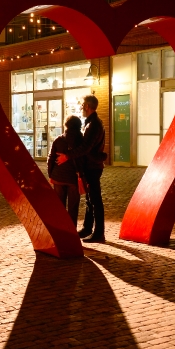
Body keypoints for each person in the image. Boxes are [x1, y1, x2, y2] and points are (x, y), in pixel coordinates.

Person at [57, 95, 106, 243]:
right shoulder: (91, 123)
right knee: (90, 199)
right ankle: (87, 228)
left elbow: (85, 148)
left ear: (87, 106)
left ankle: (99, 232)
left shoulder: (93, 125)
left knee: (95, 199)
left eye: (83, 105)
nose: (81, 107)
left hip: (93, 167)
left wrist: (68, 156)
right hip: (91, 166)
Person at [47, 115, 84, 227]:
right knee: (73, 207)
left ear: (66, 125)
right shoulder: (82, 142)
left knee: (59, 207)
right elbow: (84, 160)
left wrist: (51, 174)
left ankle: (61, 229)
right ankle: (72, 231)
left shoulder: (59, 140)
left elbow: (50, 159)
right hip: (74, 179)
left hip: (58, 178)